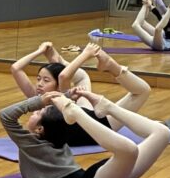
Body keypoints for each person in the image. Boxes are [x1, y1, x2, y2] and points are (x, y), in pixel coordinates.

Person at [0, 88, 170, 178]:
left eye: (37, 112)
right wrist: (50, 100)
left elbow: (6, 115)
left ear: (39, 129)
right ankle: (107, 107)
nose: (34, 111)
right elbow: (7, 116)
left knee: (161, 134)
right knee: (133, 148)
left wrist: (57, 98)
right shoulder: (40, 140)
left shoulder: (37, 140)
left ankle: (101, 108)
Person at [10, 41, 151, 148]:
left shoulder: (48, 98)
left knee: (81, 79)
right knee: (142, 91)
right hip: (99, 128)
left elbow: (16, 68)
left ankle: (58, 60)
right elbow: (63, 76)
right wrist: (86, 54)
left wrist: (42, 52)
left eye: (45, 80)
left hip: (85, 119)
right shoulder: (52, 101)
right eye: (39, 79)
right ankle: (110, 66)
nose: (40, 84)